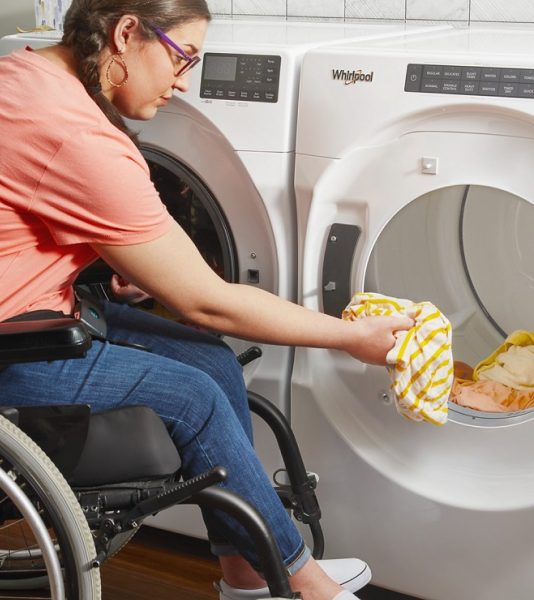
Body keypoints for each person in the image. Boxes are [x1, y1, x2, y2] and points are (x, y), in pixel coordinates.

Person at [0, 1, 414, 599]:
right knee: (192, 396)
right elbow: (210, 302)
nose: (184, 81)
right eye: (182, 58)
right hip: (16, 346)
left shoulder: (26, 74)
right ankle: (307, 585)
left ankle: (245, 576)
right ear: (124, 33)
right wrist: (353, 337)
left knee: (209, 360)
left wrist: (107, 258)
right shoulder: (75, 134)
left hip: (36, 305)